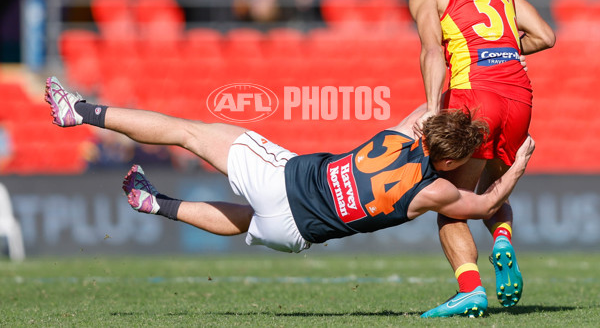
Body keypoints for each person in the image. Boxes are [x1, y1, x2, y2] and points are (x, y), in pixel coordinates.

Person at [45, 75, 535, 318]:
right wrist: (520, 160)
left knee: (186, 132)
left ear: (427, 134)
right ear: (449, 161)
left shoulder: (400, 134)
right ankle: (158, 204)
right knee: (244, 221)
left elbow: (435, 100)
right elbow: (487, 204)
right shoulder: (437, 191)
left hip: (283, 179)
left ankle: (79, 112)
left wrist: (463, 73)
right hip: (297, 232)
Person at [407, 0, 556, 316]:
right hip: (519, 96)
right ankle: (503, 240)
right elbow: (546, 36)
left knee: (449, 199)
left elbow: (433, 51)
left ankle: (470, 288)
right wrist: (501, 52)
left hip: (476, 95)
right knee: (494, 185)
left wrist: (434, 110)